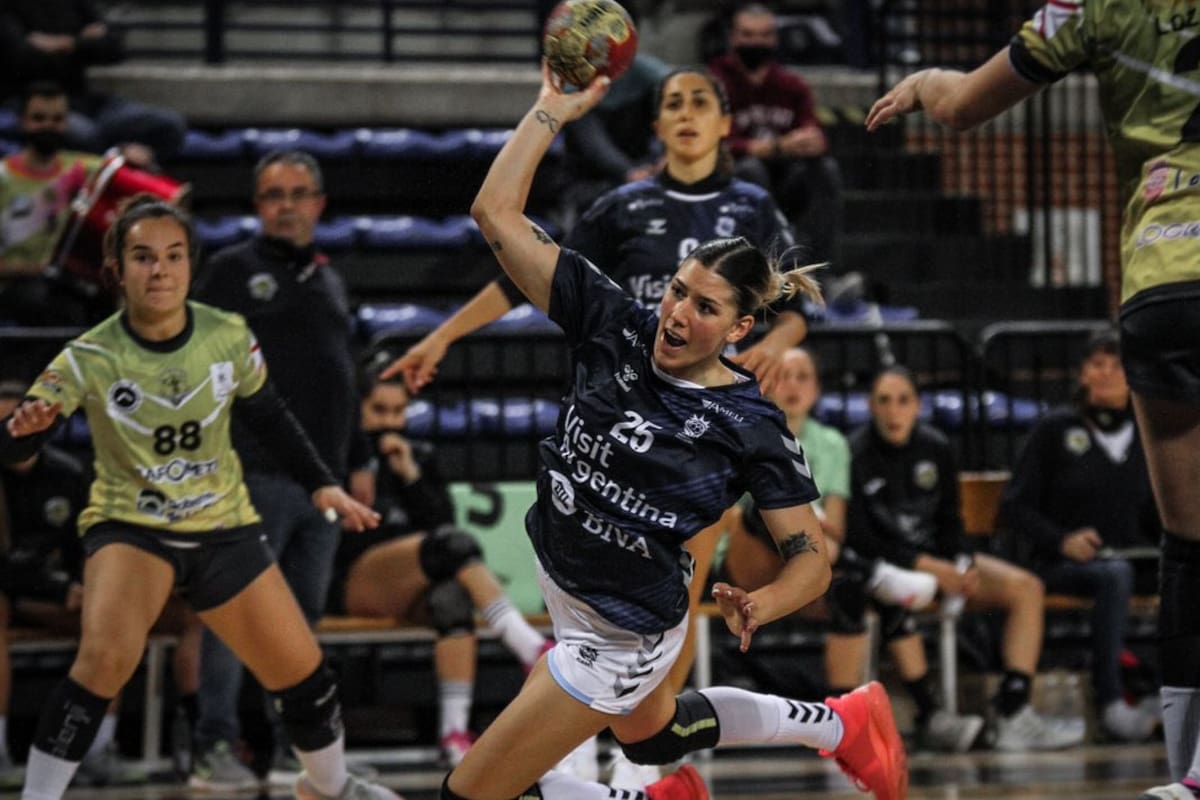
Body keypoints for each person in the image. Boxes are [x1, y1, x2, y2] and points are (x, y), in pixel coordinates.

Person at [433, 60, 907, 800]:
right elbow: (495, 216)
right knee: (654, 734)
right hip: (570, 583)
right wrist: (551, 110)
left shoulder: (748, 422)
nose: (679, 315)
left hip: (620, 631)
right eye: (678, 292)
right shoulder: (615, 318)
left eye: (706, 308)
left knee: (470, 794)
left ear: (743, 327)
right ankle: (841, 725)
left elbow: (810, 558)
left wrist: (766, 602)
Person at [866, 3, 1200, 795]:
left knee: (1189, 543)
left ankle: (1192, 771)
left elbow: (960, 105)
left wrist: (920, 80)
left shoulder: (1096, 6)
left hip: (1166, 280)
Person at [0, 196, 398, 800]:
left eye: (173, 256)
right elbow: (17, 452)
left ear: (190, 264)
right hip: (132, 528)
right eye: (142, 257)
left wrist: (323, 482)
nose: (159, 270)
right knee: (102, 666)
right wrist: (20, 436)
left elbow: (270, 417)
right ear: (117, 269)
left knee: (307, 676)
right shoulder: (89, 357)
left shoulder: (228, 333)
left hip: (223, 528)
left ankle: (330, 787)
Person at [188, 149, 376, 791]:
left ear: (319, 205)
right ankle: (213, 746)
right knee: (236, 619)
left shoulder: (329, 277)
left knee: (299, 630)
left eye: (299, 193)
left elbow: (343, 380)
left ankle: (288, 754)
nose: (287, 205)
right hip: (251, 476)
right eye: (274, 195)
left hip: (322, 485)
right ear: (257, 206)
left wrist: (359, 461)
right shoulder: (228, 272)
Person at [842, 365, 1088, 751]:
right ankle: (930, 714)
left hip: (942, 566)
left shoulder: (936, 447)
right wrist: (931, 567)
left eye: (903, 401)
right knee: (895, 591)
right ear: (871, 407)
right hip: (891, 569)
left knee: (1026, 588)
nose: (894, 411)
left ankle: (1013, 712)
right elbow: (863, 538)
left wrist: (961, 563)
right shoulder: (855, 453)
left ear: (918, 407)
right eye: (884, 401)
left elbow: (951, 521)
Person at [330, 367, 552, 767]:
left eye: (398, 412)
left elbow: (443, 519)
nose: (389, 422)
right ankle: (530, 646)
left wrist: (411, 477)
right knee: (452, 546)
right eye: (378, 410)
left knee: (451, 600)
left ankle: (453, 735)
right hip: (355, 580)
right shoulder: (340, 457)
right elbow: (344, 536)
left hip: (414, 579)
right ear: (356, 408)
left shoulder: (418, 456)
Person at [999, 328, 1161, 742]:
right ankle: (1111, 702)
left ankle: (1176, 693)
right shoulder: (1055, 429)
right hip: (1063, 563)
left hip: (1139, 557)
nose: (1106, 373)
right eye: (1097, 363)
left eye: (1116, 364)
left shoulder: (1150, 430)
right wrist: (1061, 540)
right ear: (1082, 373)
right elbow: (1013, 508)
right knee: (1114, 575)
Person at [707, 3, 843, 265]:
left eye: (764, 35)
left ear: (775, 38)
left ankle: (818, 270)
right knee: (749, 169)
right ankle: (763, 270)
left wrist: (806, 143)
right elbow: (721, 144)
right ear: (733, 37)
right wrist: (779, 145)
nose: (756, 42)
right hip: (730, 179)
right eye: (748, 34)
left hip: (785, 179)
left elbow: (816, 138)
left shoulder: (792, 85)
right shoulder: (715, 81)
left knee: (825, 170)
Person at [0, 0, 186, 164]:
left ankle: (126, 166)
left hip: (84, 101)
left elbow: (114, 48)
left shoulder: (74, 3)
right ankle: (115, 163)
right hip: (30, 104)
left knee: (169, 125)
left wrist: (65, 44)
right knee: (85, 136)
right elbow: (22, 58)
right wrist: (83, 41)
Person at [0, 81, 102, 327]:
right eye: (39, 118)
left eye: (57, 119)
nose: (48, 126)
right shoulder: (2, 177)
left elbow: (119, 171)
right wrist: (34, 270)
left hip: (70, 282)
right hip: (16, 287)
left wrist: (129, 152)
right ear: (23, 121)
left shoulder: (80, 169)